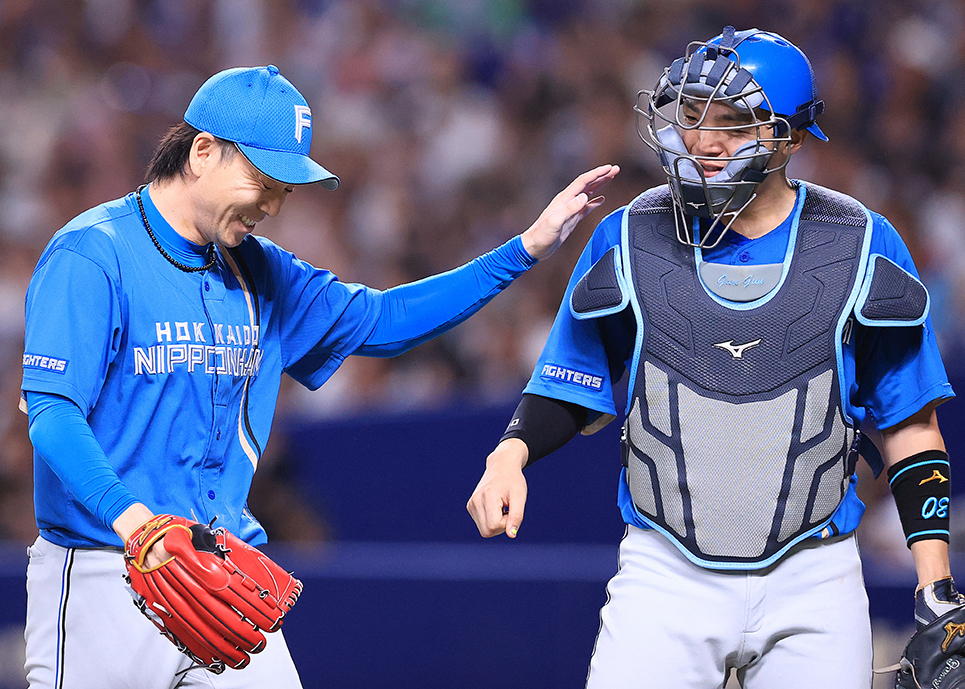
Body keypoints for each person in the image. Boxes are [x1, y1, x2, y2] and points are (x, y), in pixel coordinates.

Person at [19, 63, 618, 689]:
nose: (274, 204)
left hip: (222, 568)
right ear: (202, 153)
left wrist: (524, 248)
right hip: (103, 570)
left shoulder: (259, 269)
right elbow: (53, 414)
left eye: (286, 188)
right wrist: (135, 523)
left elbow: (384, 319)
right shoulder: (93, 254)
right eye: (264, 180)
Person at [467, 26, 959, 688]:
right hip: (664, 571)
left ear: (787, 136)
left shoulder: (862, 241)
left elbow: (909, 422)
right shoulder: (628, 234)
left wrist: (935, 591)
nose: (702, 140)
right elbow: (571, 382)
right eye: (693, 114)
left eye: (731, 122)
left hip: (816, 576)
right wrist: (509, 453)